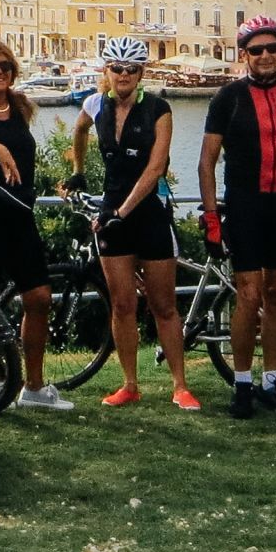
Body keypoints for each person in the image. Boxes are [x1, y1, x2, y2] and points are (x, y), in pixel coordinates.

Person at [69, 35, 200, 410]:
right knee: (122, 305)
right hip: (112, 213)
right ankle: (130, 384)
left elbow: (156, 167)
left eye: (130, 69)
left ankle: (180, 385)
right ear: (106, 71)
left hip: (146, 214)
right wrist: (78, 172)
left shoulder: (159, 109)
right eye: (116, 68)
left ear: (141, 73)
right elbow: (78, 131)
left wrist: (121, 213)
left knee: (164, 305)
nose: (123, 75)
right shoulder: (95, 104)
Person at [199, 15, 276, 419]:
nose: (266, 56)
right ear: (243, 54)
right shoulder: (227, 97)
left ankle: (273, 381)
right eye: (257, 50)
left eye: (273, 49)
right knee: (247, 296)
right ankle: (242, 383)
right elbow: (207, 163)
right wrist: (212, 217)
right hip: (244, 205)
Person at [0, 37, 69, 409]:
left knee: (38, 297)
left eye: (4, 66)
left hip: (20, 215)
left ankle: (34, 386)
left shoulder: (21, 107)